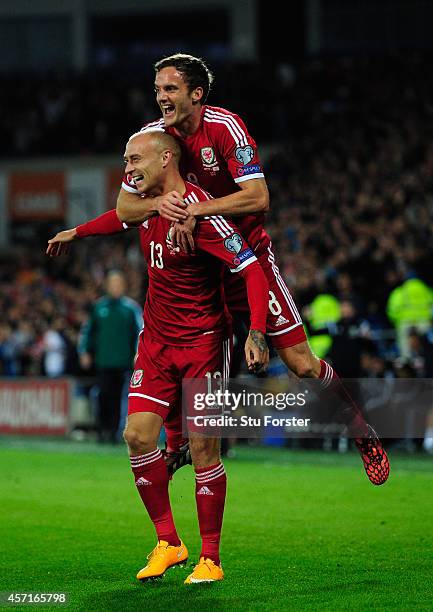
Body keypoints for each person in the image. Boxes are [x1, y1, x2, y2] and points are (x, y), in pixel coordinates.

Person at [114, 53, 389, 486]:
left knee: (301, 364)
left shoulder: (225, 129)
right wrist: (160, 205)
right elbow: (125, 207)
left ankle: (361, 428)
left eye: (170, 89)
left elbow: (258, 198)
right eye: (157, 90)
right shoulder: (152, 141)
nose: (161, 97)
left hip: (246, 259)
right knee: (178, 352)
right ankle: (178, 444)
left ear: (196, 94)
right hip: (198, 270)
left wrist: (195, 210)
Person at [47, 129, 270, 584]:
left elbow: (251, 268)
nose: (127, 170)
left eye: (133, 160)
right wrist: (79, 231)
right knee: (135, 435)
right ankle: (169, 542)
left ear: (166, 157)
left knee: (204, 447)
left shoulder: (201, 213)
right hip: (156, 343)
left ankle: (211, 558)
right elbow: (118, 217)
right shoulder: (147, 204)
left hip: (204, 344)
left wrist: (258, 334)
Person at [78, 270, 142, 442]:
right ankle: (102, 429)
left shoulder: (131, 308)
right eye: (112, 284)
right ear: (107, 286)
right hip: (103, 360)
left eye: (118, 284)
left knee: (119, 398)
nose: (115, 287)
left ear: (123, 286)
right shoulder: (99, 307)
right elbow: (87, 331)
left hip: (123, 362)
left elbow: (141, 332)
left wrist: (138, 352)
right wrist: (84, 351)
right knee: (102, 396)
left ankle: (114, 432)